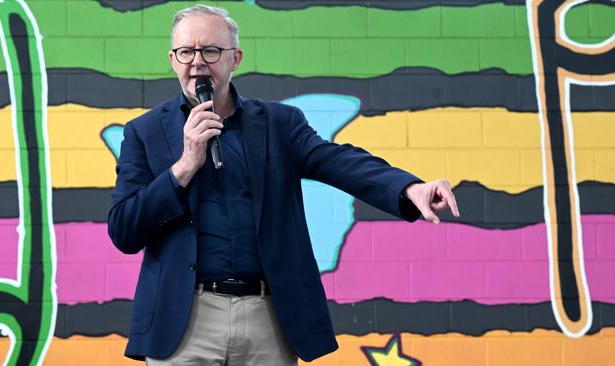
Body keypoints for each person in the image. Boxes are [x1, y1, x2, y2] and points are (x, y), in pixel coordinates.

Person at [107, 4, 460, 365]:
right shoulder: (144, 132)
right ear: (172, 59)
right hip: (183, 320)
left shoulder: (278, 124)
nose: (197, 62)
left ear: (235, 58)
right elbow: (124, 229)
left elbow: (338, 161)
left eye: (211, 50)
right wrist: (183, 167)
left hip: (267, 317)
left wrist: (407, 188)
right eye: (186, 52)